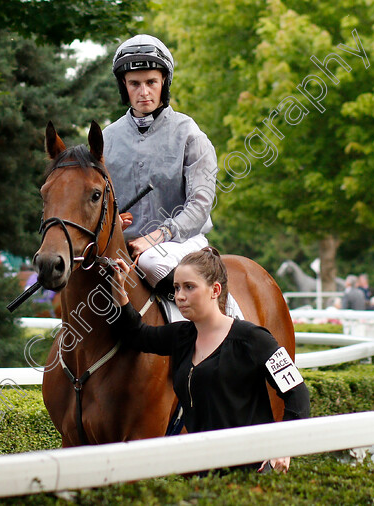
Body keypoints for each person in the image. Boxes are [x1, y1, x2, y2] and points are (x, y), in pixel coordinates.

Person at [109, 247, 310, 473]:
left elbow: (298, 392)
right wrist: (121, 291)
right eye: (176, 288)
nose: (180, 296)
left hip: (252, 475)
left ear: (215, 290)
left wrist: (284, 447)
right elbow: (138, 335)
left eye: (189, 287)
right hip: (203, 474)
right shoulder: (180, 336)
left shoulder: (254, 338)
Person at [103, 34, 234, 314]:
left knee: (152, 262)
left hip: (181, 243)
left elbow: (200, 206)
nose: (144, 92)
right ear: (123, 87)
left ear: (164, 83)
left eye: (151, 82)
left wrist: (157, 236)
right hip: (124, 247)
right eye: (134, 84)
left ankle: (221, 324)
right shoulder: (107, 138)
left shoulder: (189, 133)